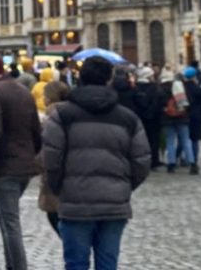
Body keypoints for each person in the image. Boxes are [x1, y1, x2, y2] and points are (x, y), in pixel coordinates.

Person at [43, 56, 150, 270]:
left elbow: (51, 159)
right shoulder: (128, 118)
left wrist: (59, 187)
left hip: (75, 200)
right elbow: (142, 161)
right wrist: (124, 186)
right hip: (113, 201)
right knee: (108, 264)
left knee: (76, 264)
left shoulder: (61, 116)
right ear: (109, 80)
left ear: (80, 78)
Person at [0, 55, 42, 270]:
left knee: (10, 222)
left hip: (5, 165)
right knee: (4, 216)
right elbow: (36, 129)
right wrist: (32, 154)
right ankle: (12, 265)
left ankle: (18, 266)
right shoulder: (24, 91)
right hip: (25, 165)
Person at [37, 80, 70, 235]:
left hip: (54, 179)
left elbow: (45, 153)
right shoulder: (74, 114)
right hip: (73, 179)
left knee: (56, 218)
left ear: (50, 98)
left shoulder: (50, 118)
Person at [159, 70, 196, 174]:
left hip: (167, 118)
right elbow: (188, 102)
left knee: (170, 141)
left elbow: (158, 103)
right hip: (182, 117)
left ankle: (171, 164)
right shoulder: (180, 87)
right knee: (185, 140)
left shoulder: (160, 88)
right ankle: (192, 163)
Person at [131, 66, 162, 169]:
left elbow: (135, 102)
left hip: (140, 117)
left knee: (143, 140)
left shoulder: (136, 87)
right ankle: (154, 160)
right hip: (152, 118)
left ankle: (145, 160)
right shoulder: (153, 87)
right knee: (154, 140)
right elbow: (156, 103)